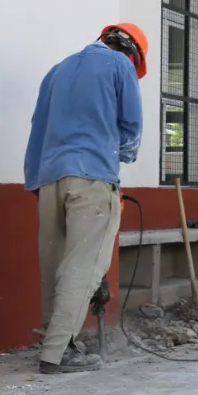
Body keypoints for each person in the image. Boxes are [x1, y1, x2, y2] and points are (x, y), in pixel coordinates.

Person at [23, 23, 147, 374]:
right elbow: (130, 130)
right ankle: (57, 353)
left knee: (54, 265)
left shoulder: (56, 72)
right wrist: (114, 168)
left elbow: (38, 131)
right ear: (133, 54)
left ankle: (55, 339)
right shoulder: (120, 66)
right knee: (82, 267)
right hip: (92, 176)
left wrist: (37, 184)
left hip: (48, 180)